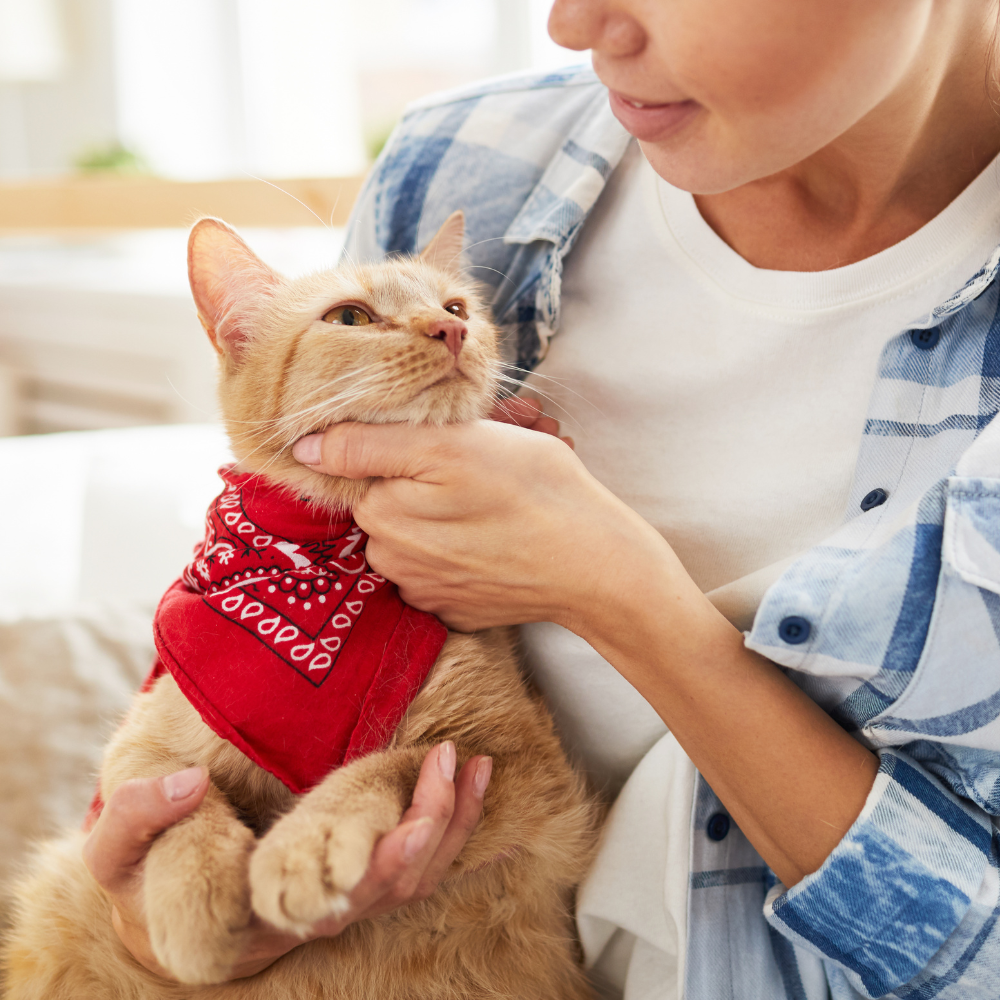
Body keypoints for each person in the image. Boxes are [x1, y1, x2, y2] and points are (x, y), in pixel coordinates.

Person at [84, 0, 1000, 996]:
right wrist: (164, 918)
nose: (570, 24)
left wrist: (616, 595)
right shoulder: (459, 158)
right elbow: (259, 625)